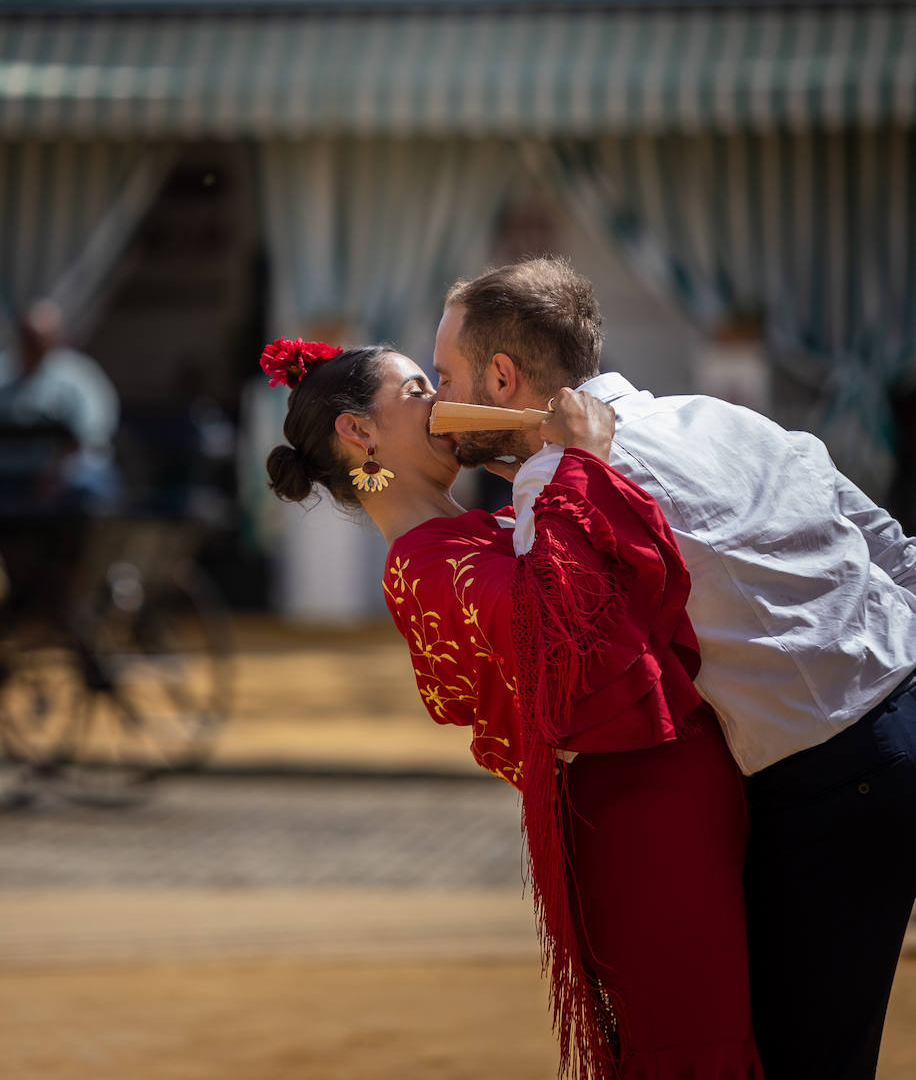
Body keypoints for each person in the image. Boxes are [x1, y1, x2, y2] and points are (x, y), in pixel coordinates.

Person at [432, 255, 916, 1080]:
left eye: (445, 376)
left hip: (829, 776)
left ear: (502, 377)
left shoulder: (561, 480)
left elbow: (564, 670)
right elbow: (892, 548)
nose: (440, 402)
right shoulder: (720, 416)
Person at [261, 337, 764, 1079]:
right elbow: (555, 630)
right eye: (418, 389)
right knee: (692, 1040)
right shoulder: (427, 564)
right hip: (635, 808)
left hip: (656, 789)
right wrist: (578, 464)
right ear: (359, 434)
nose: (440, 400)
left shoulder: (474, 533)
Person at [0, 299, 121, 514]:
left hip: (63, 476)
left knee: (93, 488)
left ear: (54, 339)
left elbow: (90, 437)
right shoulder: (4, 372)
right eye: (27, 338)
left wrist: (55, 473)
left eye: (38, 340)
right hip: (9, 474)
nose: (32, 345)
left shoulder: (77, 377)